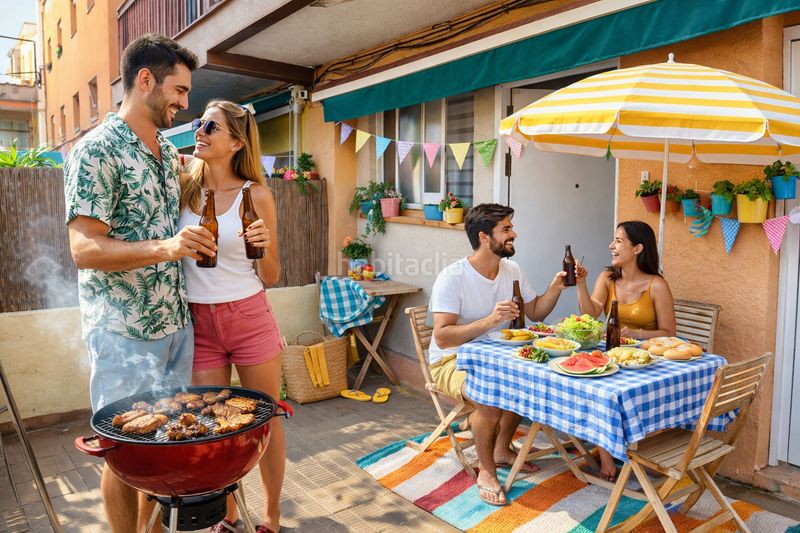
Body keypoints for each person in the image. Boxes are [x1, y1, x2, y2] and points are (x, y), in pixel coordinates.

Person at [64, 34, 215, 532]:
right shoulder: (96, 150)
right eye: (179, 89)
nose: (184, 102)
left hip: (176, 326)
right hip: (123, 332)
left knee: (164, 445)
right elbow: (84, 249)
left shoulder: (166, 154)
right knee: (125, 454)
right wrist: (167, 247)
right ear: (144, 80)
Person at [179, 100, 283, 533]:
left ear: (237, 142)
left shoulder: (255, 194)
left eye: (211, 127)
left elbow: (272, 275)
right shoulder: (184, 186)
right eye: (199, 123)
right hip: (200, 322)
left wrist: (265, 243)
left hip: (249, 315)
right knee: (215, 425)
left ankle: (272, 516)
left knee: (266, 419)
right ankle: (229, 513)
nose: (199, 130)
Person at [429, 203, 572, 506]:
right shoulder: (452, 277)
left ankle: (502, 449)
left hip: (497, 357)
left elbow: (535, 313)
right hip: (451, 360)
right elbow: (442, 337)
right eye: (506, 229)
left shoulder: (512, 270)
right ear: (484, 236)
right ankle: (487, 471)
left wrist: (555, 287)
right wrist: (490, 321)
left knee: (527, 380)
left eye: (511, 228)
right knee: (490, 401)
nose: (513, 234)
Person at [575, 220, 676, 480]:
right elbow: (591, 312)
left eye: (618, 241)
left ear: (638, 248)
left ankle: (613, 450)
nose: (611, 245)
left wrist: (637, 334)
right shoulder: (608, 278)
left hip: (644, 363)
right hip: (613, 356)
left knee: (607, 393)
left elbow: (669, 333)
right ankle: (607, 458)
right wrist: (580, 283)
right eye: (613, 240)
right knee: (592, 387)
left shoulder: (657, 285)